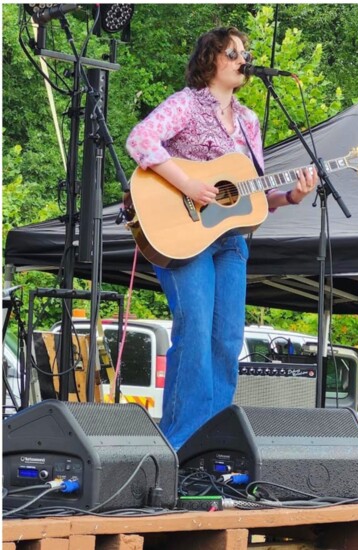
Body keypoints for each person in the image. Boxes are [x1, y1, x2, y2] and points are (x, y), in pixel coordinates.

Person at [126, 27, 317, 450]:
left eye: (244, 53)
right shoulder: (187, 104)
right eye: (233, 53)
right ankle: (178, 447)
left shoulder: (249, 122)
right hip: (181, 233)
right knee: (194, 333)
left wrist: (291, 195)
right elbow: (139, 139)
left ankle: (211, 447)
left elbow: (251, 192)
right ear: (211, 59)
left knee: (227, 340)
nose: (242, 59)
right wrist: (189, 184)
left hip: (231, 240)